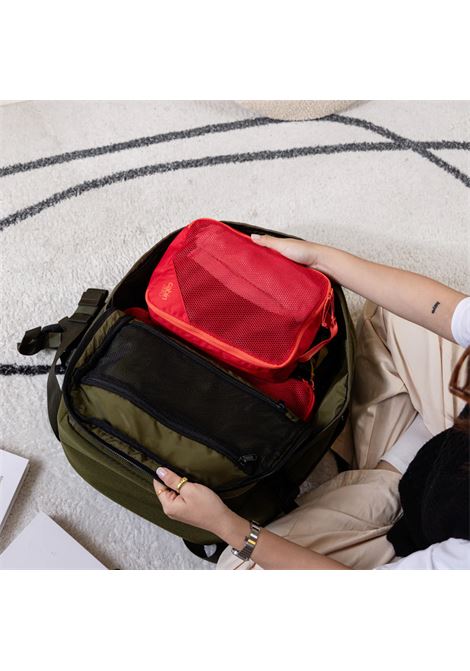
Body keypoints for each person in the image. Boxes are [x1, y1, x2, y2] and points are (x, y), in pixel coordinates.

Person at [153, 234, 470, 570]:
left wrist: (227, 525)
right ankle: (387, 472)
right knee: (392, 312)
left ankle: (379, 489)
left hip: (421, 536)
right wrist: (317, 257)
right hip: (448, 453)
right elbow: (442, 309)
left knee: (239, 567)